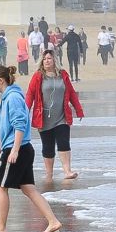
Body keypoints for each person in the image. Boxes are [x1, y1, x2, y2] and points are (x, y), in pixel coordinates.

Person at [0, 64, 61, 232]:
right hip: (17, 148)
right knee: (28, 188)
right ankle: (53, 221)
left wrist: (14, 150)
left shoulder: (13, 98)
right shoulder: (6, 98)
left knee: (1, 187)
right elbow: (5, 130)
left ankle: (0, 227)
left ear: (1, 80)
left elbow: (20, 125)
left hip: (18, 149)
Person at [26, 51, 83, 182]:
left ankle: (67, 171)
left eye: (49, 58)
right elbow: (30, 94)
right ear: (41, 61)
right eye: (44, 59)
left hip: (61, 117)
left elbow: (72, 93)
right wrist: (25, 112)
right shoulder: (38, 76)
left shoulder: (62, 75)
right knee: (48, 146)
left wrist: (78, 110)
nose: (47, 61)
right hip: (43, 118)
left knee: (63, 142)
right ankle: (49, 174)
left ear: (54, 60)